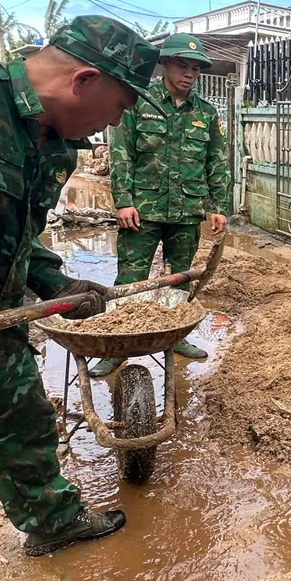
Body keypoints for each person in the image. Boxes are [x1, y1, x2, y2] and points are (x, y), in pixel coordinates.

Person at [0, 15, 164, 581]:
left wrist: (55, 281)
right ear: (83, 80)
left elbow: (19, 238)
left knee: (26, 424)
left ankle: (52, 521)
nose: (118, 122)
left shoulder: (56, 145)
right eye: (120, 105)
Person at [90, 33, 230, 378]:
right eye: (182, 65)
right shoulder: (139, 104)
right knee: (130, 279)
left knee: (179, 277)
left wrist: (217, 205)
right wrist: (123, 201)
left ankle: (174, 337)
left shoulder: (206, 113)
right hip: (143, 210)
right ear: (165, 63)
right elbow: (121, 154)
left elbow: (216, 161)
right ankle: (119, 345)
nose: (190, 73)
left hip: (187, 210)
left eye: (196, 68)